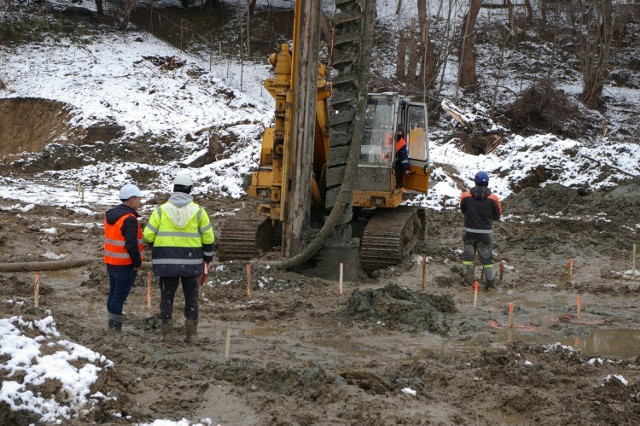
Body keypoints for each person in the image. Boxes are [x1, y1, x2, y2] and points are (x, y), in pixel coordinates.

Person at [143, 173, 215, 344]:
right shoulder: (198, 211)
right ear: (190, 190)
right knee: (191, 297)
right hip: (191, 264)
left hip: (166, 264)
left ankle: (166, 335)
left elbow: (148, 235)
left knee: (166, 297)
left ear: (174, 189)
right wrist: (207, 258)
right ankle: (191, 335)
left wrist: (159, 247)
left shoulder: (161, 211)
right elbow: (208, 238)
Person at [104, 183, 144, 332]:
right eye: (138, 199)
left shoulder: (111, 216)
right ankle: (115, 329)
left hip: (111, 262)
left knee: (114, 293)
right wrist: (137, 262)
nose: (140, 202)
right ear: (132, 200)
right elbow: (131, 244)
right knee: (119, 297)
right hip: (125, 264)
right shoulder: (129, 219)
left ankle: (111, 324)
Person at [459, 171, 502, 289]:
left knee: (468, 259)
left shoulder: (466, 196)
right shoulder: (493, 199)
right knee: (487, 260)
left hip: (469, 233)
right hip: (484, 235)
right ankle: (490, 283)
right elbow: (497, 216)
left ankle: (468, 281)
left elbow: (463, 210)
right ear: (487, 183)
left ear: (475, 181)